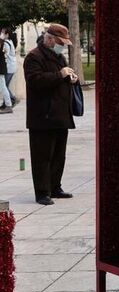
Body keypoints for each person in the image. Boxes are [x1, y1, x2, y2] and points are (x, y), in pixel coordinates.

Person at [23, 23, 78, 205]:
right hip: (42, 116)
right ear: (50, 39)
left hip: (61, 115)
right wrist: (60, 75)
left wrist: (70, 77)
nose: (62, 46)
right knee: (42, 156)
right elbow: (35, 81)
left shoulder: (59, 57)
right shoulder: (34, 57)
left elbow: (61, 77)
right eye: (61, 42)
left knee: (58, 155)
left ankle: (55, 187)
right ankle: (42, 192)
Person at [1, 28, 17, 108]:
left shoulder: (6, 43)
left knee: (4, 86)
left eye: (3, 33)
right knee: (5, 85)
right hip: (12, 67)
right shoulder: (10, 41)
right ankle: (6, 102)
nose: (1, 34)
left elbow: (5, 55)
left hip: (9, 67)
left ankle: (12, 99)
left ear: (7, 34)